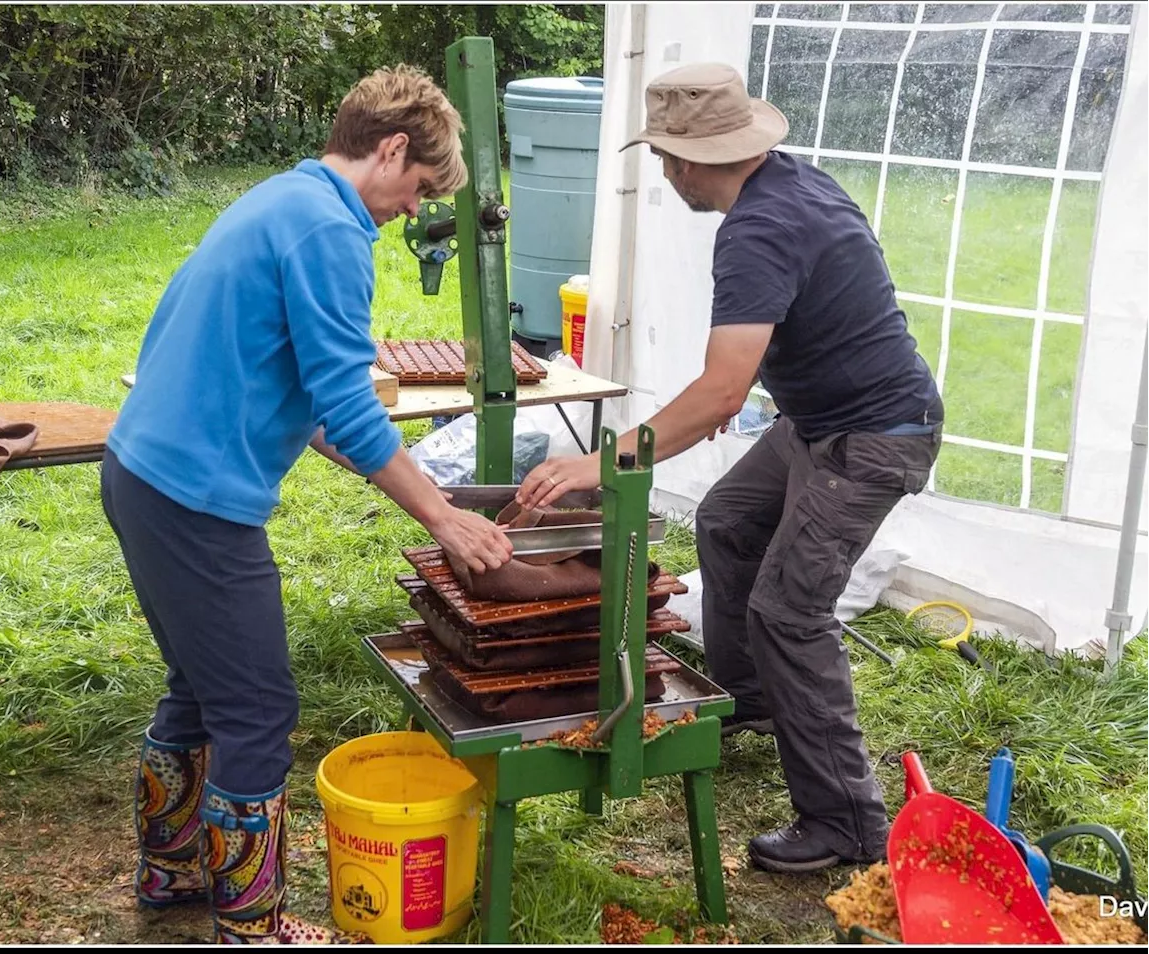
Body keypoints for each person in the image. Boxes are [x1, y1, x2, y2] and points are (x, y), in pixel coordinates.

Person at [101, 65, 513, 944]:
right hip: (196, 500)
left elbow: (305, 392)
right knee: (256, 711)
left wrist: (358, 450)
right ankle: (253, 923)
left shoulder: (281, 198)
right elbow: (351, 400)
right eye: (419, 188)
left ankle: (170, 871)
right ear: (391, 148)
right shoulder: (331, 228)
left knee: (199, 687)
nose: (413, 210)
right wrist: (441, 514)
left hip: (141, 472)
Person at [516, 63, 942, 875]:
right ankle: (752, 702)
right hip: (821, 419)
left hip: (874, 436)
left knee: (790, 611)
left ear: (685, 158)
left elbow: (719, 393)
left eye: (666, 158)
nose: (666, 172)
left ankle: (847, 821)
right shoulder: (788, 187)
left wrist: (603, 464)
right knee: (727, 521)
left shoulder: (757, 230)